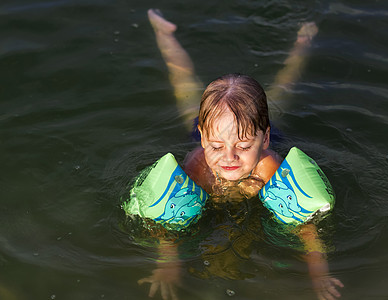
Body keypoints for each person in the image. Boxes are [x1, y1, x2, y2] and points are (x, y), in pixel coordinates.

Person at [137, 9, 344, 300]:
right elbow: (170, 222)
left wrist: (319, 273)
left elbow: (308, 231)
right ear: (205, 137)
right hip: (210, 131)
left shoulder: (268, 166)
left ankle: (303, 41)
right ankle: (164, 34)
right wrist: (167, 263)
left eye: (243, 147)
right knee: (183, 83)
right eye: (219, 148)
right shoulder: (200, 163)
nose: (229, 158)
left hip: (250, 129)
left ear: (264, 138)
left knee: (284, 86)